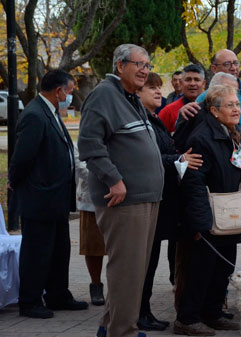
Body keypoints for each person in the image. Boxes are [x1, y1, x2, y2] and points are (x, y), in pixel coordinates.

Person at [79, 43, 164, 337]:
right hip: (124, 200)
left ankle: (109, 327)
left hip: (145, 199)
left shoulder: (129, 97)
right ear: (120, 66)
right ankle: (123, 332)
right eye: (138, 64)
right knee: (127, 271)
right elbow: (89, 145)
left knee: (133, 270)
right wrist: (114, 179)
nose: (144, 70)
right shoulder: (104, 95)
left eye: (148, 65)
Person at [9, 69, 88, 319]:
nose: (70, 97)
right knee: (37, 252)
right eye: (70, 92)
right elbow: (22, 157)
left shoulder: (50, 111)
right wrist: (14, 181)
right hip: (39, 196)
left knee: (59, 249)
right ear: (58, 91)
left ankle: (57, 294)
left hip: (56, 196)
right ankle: (30, 301)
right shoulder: (35, 114)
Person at [174, 84, 241, 335]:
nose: (236, 109)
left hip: (229, 213)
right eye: (230, 105)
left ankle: (213, 312)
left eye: (237, 104)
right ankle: (187, 319)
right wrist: (201, 221)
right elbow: (194, 182)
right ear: (214, 110)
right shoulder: (201, 138)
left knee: (223, 268)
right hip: (208, 216)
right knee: (201, 269)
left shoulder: (234, 134)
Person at [136, 73, 203, 331]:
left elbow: (167, 149)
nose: (157, 92)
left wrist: (177, 156)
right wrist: (178, 160)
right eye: (149, 88)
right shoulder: (141, 122)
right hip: (149, 199)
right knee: (145, 262)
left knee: (151, 261)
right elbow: (148, 158)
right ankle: (139, 312)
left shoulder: (154, 118)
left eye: (157, 87)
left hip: (163, 200)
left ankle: (145, 310)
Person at [195, 49, 241, 131]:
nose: (233, 68)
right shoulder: (204, 98)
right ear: (214, 68)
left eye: (236, 63)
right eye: (227, 64)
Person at [75, 144, 106, 307]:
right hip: (92, 199)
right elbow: (80, 164)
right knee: (93, 247)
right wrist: (106, 176)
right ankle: (96, 285)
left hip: (121, 199)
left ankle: (120, 287)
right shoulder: (89, 129)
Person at [159, 64, 205, 133]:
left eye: (196, 80)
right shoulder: (168, 112)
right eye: (188, 79)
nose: (192, 83)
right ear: (181, 83)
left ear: (204, 84)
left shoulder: (213, 109)